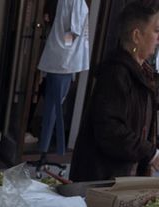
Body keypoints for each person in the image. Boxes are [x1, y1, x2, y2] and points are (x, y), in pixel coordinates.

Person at [70, 1, 159, 181]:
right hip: (102, 179)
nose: (158, 39)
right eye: (156, 30)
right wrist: (151, 153)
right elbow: (111, 131)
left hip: (124, 176)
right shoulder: (115, 73)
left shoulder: (143, 73)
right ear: (136, 36)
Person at [36, 0, 91, 164]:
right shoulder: (76, 1)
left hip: (59, 59)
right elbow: (73, 32)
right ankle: (52, 152)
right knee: (55, 108)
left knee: (52, 107)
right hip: (64, 62)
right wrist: (66, 52)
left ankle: (46, 151)